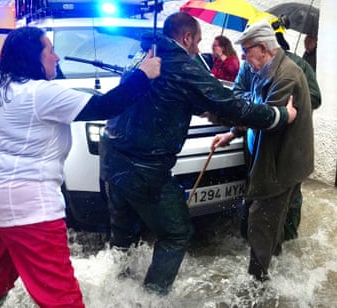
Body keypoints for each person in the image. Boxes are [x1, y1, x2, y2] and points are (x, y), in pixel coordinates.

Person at [99, 12, 297, 295]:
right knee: (177, 232)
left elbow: (161, 97)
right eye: (196, 42)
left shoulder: (145, 56)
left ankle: (117, 286)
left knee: (124, 232)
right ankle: (150, 298)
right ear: (186, 37)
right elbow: (234, 106)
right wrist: (280, 115)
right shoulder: (182, 65)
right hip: (143, 169)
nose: (197, 50)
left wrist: (205, 110)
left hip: (112, 160)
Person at [0, 26, 161, 308]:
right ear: (31, 57)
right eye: (49, 50)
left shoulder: (1, 89)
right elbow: (105, 106)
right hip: (28, 204)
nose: (56, 57)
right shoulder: (41, 93)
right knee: (61, 294)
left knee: (4, 266)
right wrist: (143, 74)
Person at [212, 21, 314, 281]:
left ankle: (255, 286)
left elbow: (264, 118)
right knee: (271, 221)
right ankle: (273, 269)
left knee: (260, 221)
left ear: (263, 48)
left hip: (280, 164)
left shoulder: (286, 76)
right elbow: (255, 105)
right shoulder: (266, 68)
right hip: (270, 158)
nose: (244, 57)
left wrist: (223, 116)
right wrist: (232, 133)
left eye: (247, 50)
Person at [234, 25, 322, 241]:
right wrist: (260, 107)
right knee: (255, 192)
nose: (246, 57)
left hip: (288, 146)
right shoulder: (250, 65)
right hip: (257, 142)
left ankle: (286, 241)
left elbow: (315, 98)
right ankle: (252, 242)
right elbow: (237, 93)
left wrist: (287, 108)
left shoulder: (297, 66)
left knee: (289, 198)